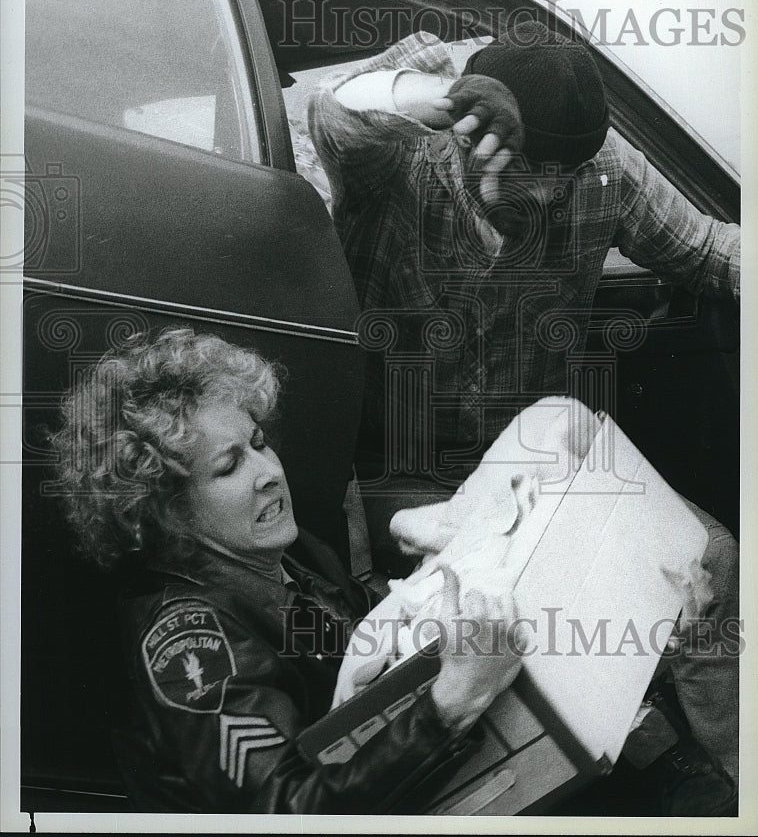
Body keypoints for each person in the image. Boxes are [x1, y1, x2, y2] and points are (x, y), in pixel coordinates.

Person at [308, 21, 740, 814]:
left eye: (565, 171)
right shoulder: (394, 154)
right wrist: (439, 96)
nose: (546, 189)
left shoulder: (600, 174)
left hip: (531, 459)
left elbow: (708, 250)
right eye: (531, 163)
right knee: (506, 618)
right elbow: (336, 109)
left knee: (711, 557)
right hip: (395, 475)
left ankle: (733, 786)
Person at [53, 327, 522, 814]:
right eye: (229, 467)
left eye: (258, 443)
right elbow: (282, 809)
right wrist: (448, 707)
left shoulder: (292, 557)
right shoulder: (189, 644)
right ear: (167, 512)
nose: (269, 472)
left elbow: (368, 636)